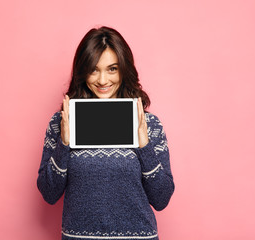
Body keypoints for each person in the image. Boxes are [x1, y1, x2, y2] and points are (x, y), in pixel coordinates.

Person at [37, 26, 174, 240]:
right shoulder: (62, 122)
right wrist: (64, 144)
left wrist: (144, 146)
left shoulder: (149, 124)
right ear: (82, 72)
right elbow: (49, 193)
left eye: (112, 69)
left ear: (124, 69)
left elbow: (162, 198)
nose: (102, 80)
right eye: (93, 69)